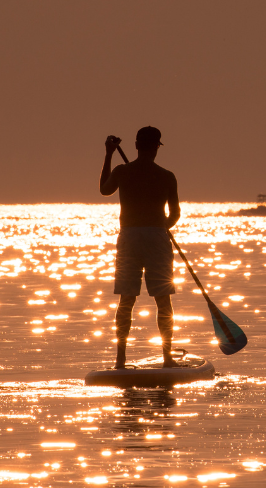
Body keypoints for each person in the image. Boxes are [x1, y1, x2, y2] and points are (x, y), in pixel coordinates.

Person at [100, 126, 180, 369]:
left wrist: (108, 154)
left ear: (136, 146)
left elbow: (104, 190)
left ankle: (120, 360)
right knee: (163, 300)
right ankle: (167, 358)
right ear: (156, 148)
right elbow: (175, 214)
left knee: (127, 299)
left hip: (129, 238)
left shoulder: (123, 171)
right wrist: (159, 227)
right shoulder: (167, 176)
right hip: (156, 237)